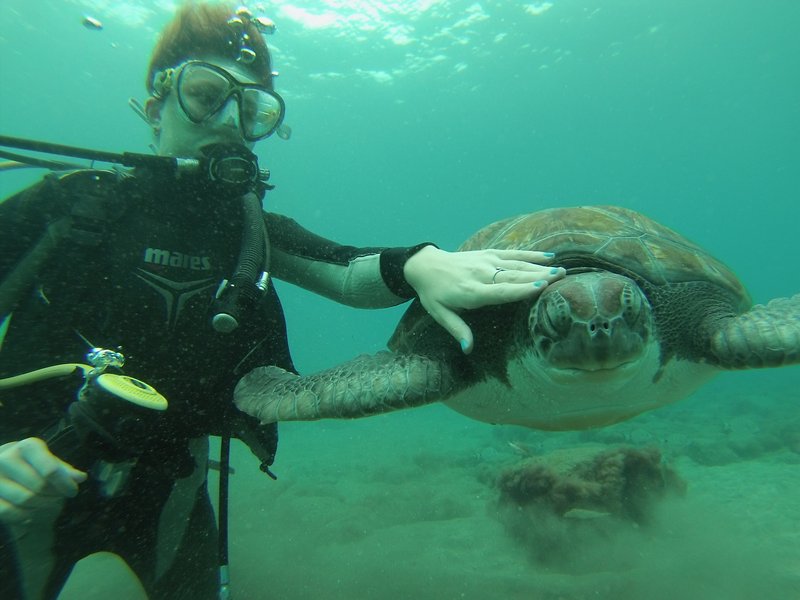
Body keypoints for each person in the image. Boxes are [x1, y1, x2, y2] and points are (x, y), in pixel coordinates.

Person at [0, 2, 563, 599]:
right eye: (205, 92)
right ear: (155, 103)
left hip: (167, 488)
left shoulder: (250, 232)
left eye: (252, 109)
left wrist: (422, 262)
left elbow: (348, 271)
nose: (228, 122)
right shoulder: (61, 209)